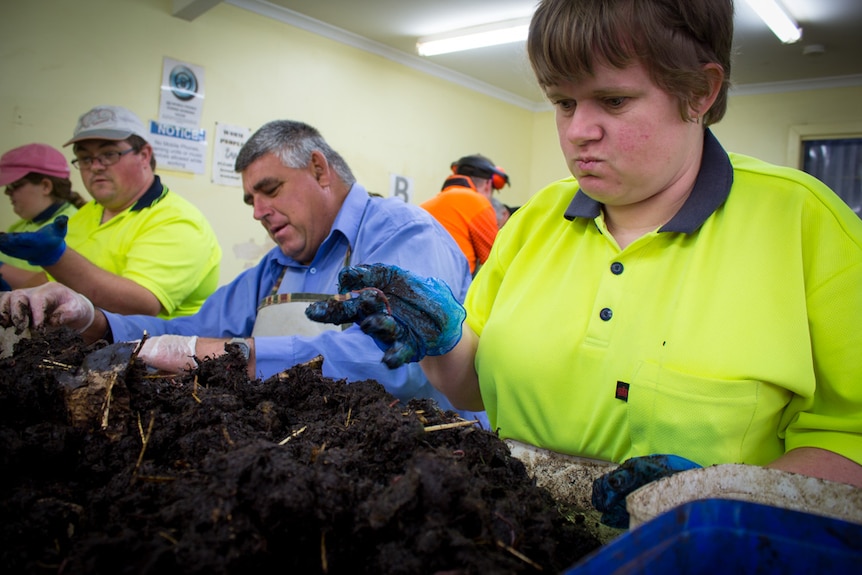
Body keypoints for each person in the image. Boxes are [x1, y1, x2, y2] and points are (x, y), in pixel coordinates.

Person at [304, 0, 862, 527]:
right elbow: (474, 391)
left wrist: (731, 496)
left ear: (699, 91)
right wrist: (444, 343)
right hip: (514, 529)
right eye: (564, 103)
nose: (577, 132)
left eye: (613, 101)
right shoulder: (535, 221)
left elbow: (851, 441)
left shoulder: (805, 226)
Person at [0, 119, 485, 425]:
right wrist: (93, 320)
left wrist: (228, 355)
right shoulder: (274, 267)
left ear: (320, 170)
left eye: (270, 190)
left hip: (422, 446)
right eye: (251, 199)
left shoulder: (403, 235)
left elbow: (389, 364)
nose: (258, 211)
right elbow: (191, 330)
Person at [0, 105, 221, 318]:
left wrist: (55, 257)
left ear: (144, 155)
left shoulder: (178, 221)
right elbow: (53, 283)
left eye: (109, 154)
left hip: (148, 351)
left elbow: (140, 304)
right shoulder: (87, 213)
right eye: (86, 158)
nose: (95, 166)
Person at [0, 143, 86, 290]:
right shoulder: (22, 225)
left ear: (46, 186)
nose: (7, 192)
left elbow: (54, 285)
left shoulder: (72, 225)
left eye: (14, 185)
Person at [420, 154, 510, 275]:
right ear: (488, 185)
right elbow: (496, 261)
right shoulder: (477, 202)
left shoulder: (425, 206)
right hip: (451, 289)